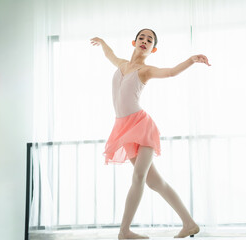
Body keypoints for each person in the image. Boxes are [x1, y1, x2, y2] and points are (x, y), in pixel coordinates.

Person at [90, 29, 210, 239]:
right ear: (134, 42)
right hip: (124, 128)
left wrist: (191, 60)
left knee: (138, 176)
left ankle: (124, 231)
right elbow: (109, 53)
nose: (144, 41)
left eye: (149, 40)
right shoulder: (121, 64)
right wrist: (102, 42)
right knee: (154, 182)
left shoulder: (145, 70)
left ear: (153, 48)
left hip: (141, 126)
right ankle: (189, 223)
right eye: (142, 38)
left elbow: (171, 72)